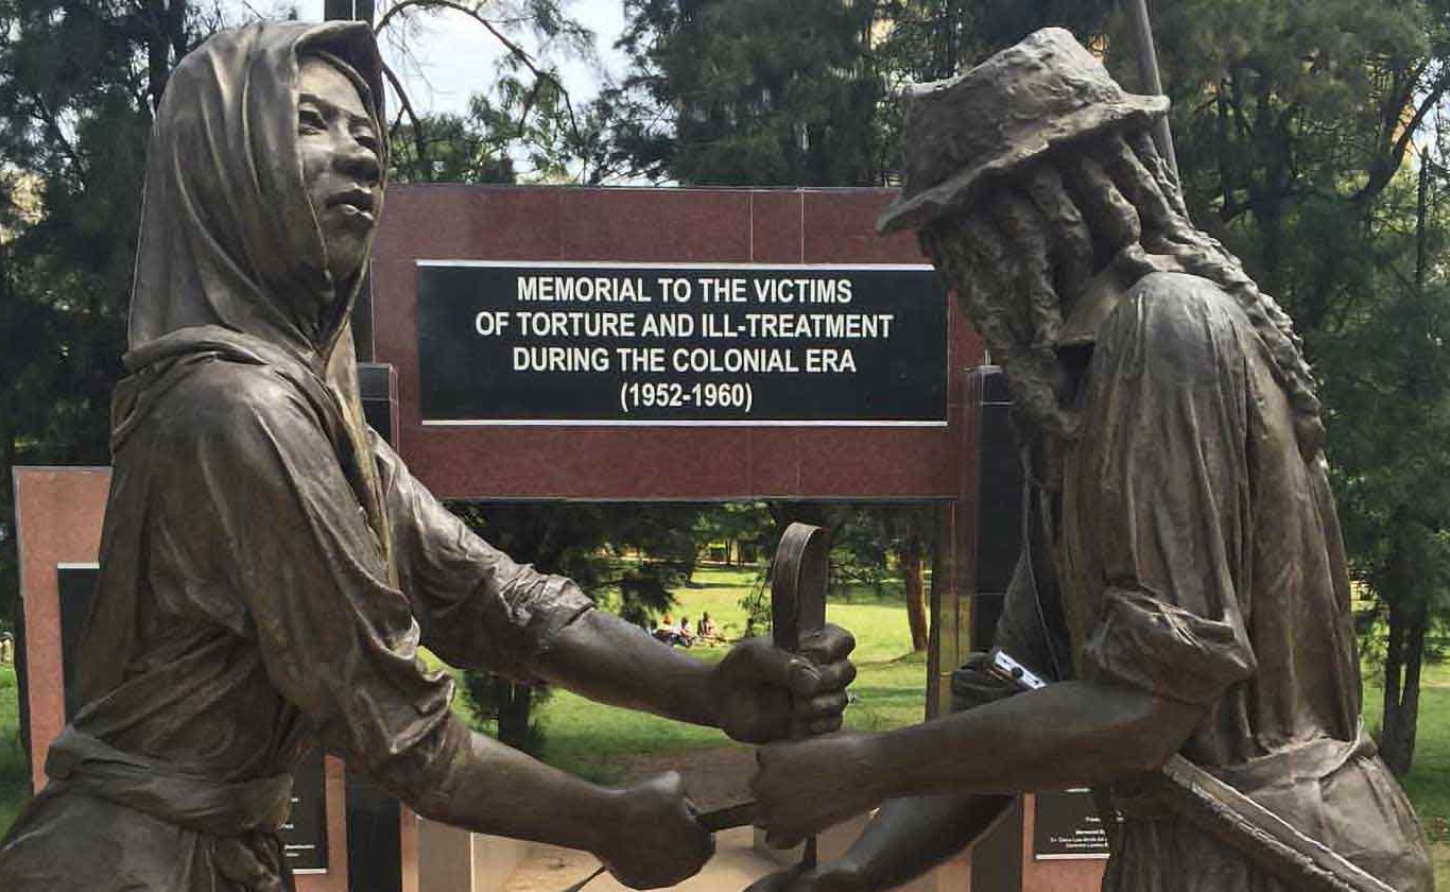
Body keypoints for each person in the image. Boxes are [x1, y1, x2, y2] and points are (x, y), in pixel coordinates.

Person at [0, 21, 854, 892]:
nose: (361, 158)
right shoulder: (235, 412)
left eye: (367, 135)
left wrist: (703, 688)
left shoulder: (308, 414)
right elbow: (396, 727)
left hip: (207, 857)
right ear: (220, 161)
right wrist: (606, 820)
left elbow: (489, 598)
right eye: (310, 122)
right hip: (128, 868)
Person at [746, 28, 1432, 892]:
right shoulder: (1073, 409)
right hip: (1181, 858)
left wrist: (871, 763)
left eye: (960, 236)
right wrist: (853, 875)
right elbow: (1012, 699)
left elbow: (1145, 707)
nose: (958, 276)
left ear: (1031, 207)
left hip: (1275, 859)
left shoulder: (1166, 329)